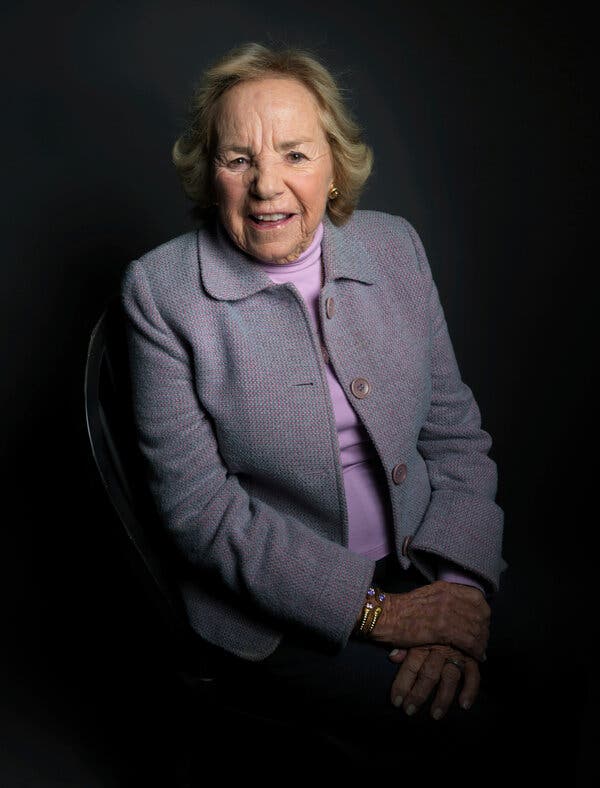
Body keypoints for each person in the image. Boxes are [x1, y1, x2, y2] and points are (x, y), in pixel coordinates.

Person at [120, 41, 507, 773]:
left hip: (421, 564)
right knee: (465, 735)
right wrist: (382, 613)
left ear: (334, 165)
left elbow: (455, 435)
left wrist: (456, 594)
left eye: (294, 154)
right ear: (211, 173)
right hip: (278, 619)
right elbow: (202, 514)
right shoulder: (161, 294)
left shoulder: (395, 248)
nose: (266, 185)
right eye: (238, 159)